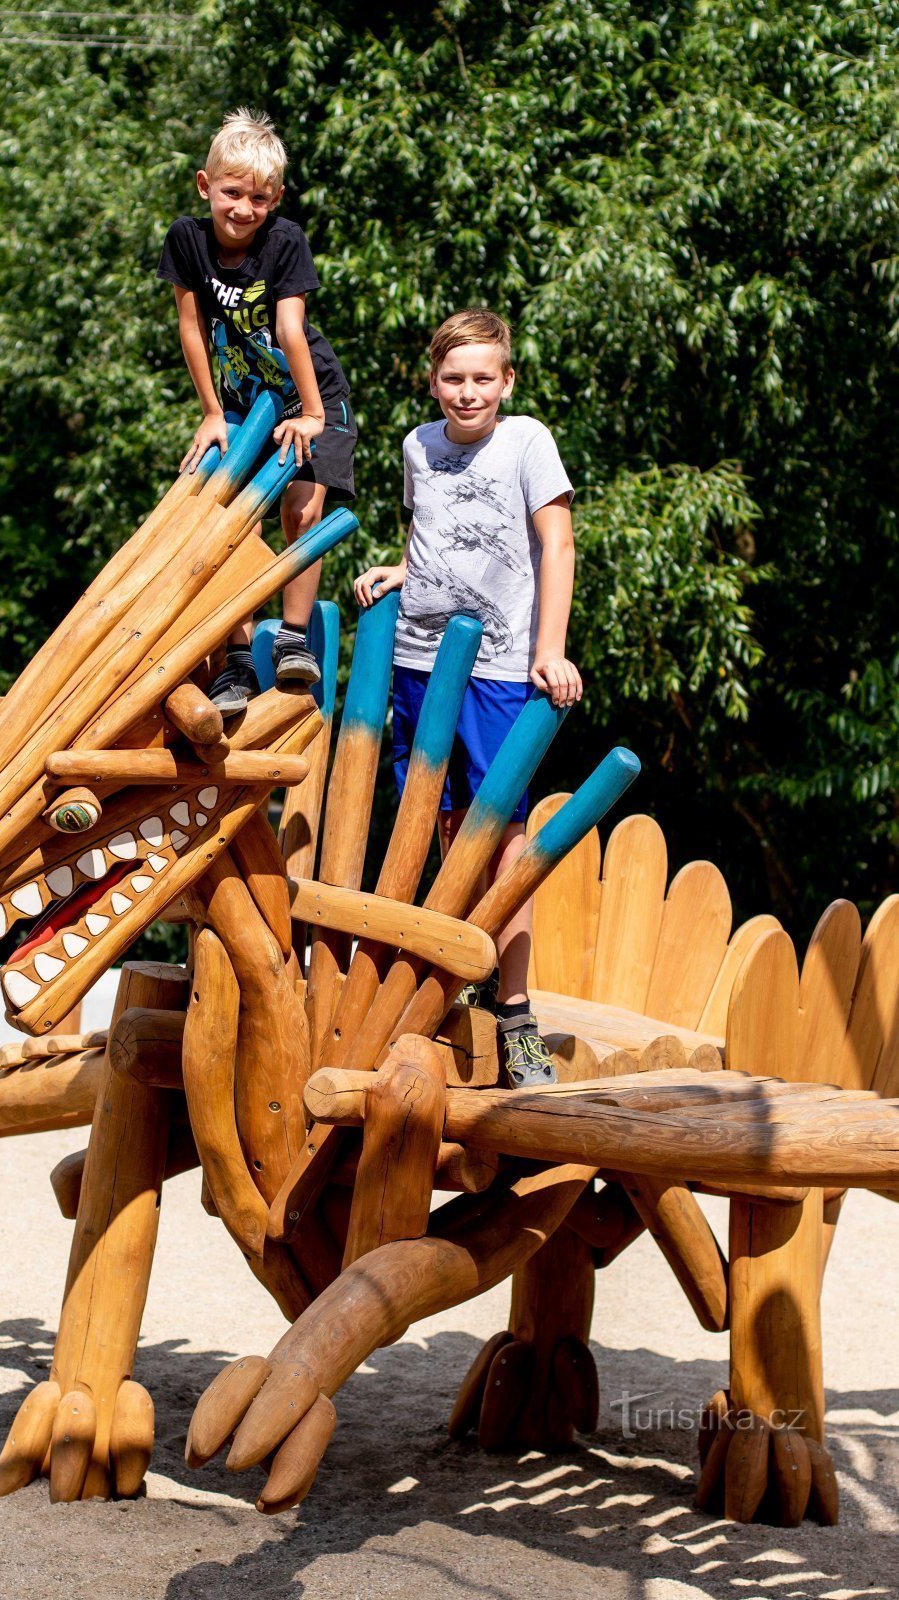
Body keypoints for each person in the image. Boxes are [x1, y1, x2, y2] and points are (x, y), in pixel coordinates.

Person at [353, 309, 582, 1088]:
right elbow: (439, 538)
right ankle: (454, 982)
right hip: (419, 658)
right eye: (453, 378)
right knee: (436, 825)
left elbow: (554, 542)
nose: (467, 392)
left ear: (506, 381)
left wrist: (547, 651)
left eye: (483, 378)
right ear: (432, 382)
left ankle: (515, 1011)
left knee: (503, 838)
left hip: (498, 666)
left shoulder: (526, 440)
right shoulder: (418, 445)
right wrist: (399, 572)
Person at [157, 107, 356, 713]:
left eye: (259, 198)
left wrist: (316, 415)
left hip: (308, 391)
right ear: (205, 186)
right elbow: (191, 329)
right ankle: (239, 658)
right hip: (243, 399)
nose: (244, 209)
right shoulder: (186, 239)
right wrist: (212, 412)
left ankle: (294, 639)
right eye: (232, 193)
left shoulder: (284, 242)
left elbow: (290, 330)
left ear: (277, 198)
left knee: (301, 507)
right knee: (231, 515)